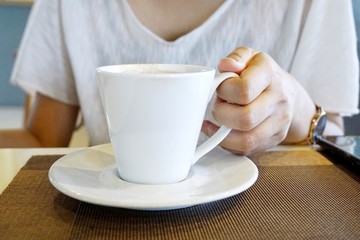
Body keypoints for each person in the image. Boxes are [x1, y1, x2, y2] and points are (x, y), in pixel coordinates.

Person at [0, 0, 358, 156]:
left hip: (266, 215)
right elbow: (42, 138)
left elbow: (334, 136)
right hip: (112, 220)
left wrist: (294, 105)